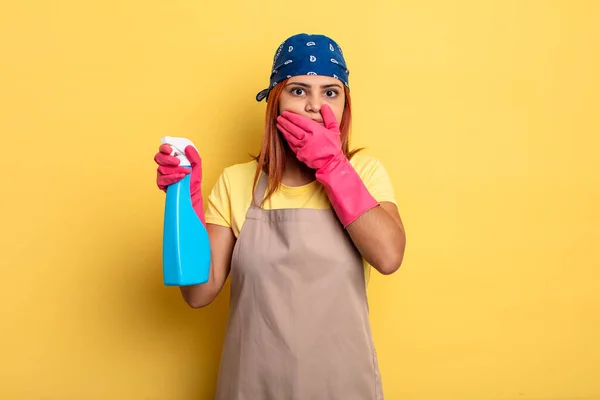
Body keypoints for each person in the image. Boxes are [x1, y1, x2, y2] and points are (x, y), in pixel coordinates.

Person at [154, 33, 406, 400]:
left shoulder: (364, 174)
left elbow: (388, 256)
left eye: (330, 93)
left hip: (343, 388)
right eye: (299, 90)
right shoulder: (237, 182)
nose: (315, 106)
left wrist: (333, 166)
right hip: (253, 387)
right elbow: (198, 293)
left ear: (344, 106)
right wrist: (185, 203)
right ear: (275, 102)